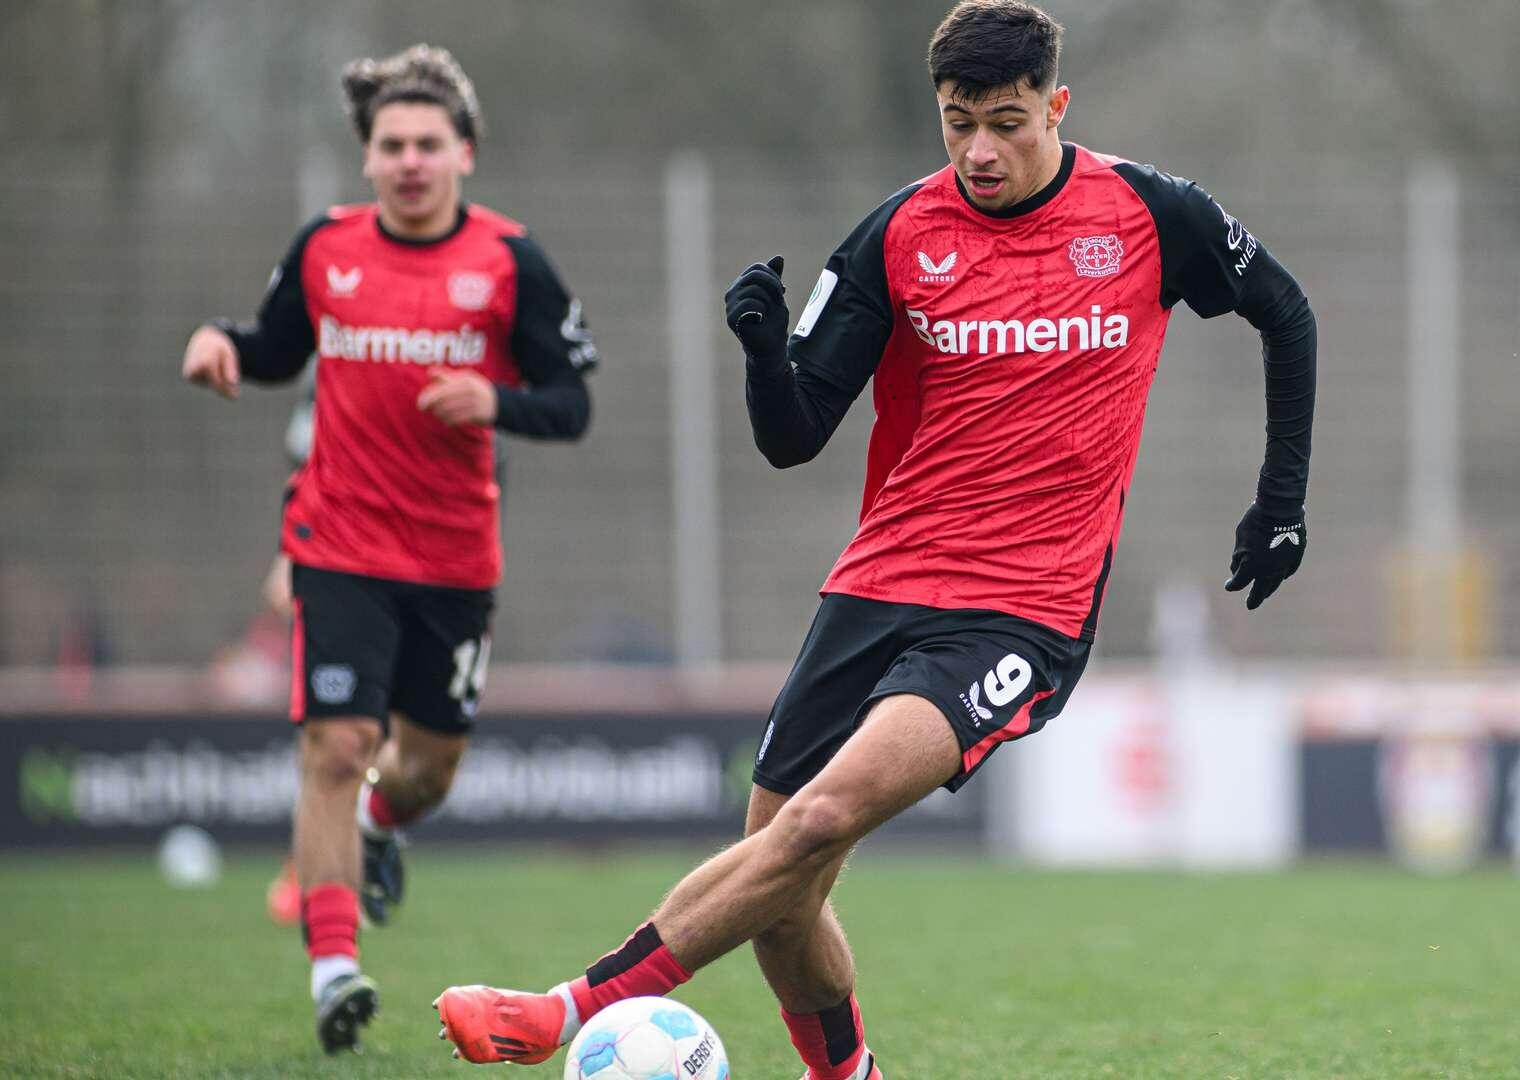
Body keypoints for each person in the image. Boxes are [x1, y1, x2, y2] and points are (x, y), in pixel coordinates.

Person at [433, 3, 1315, 1076]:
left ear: (1057, 105)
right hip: (879, 585)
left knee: (813, 825)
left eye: (1007, 121)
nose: (981, 150)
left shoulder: (1148, 212)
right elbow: (794, 435)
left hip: (1020, 611)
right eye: (957, 125)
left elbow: (1287, 311)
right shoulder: (899, 234)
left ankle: (562, 1012)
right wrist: (764, 354)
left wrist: (1280, 504)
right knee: (778, 890)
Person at [180, 44, 599, 1054]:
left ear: (463, 153)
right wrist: (220, 344)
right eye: (390, 145)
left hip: (455, 560)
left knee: (424, 775)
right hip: (339, 541)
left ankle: (376, 833)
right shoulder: (327, 248)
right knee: (335, 747)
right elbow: (276, 348)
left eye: (428, 143)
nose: (410, 160)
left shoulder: (511, 263)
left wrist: (494, 399)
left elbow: (573, 403)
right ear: (367, 159)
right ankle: (334, 972)